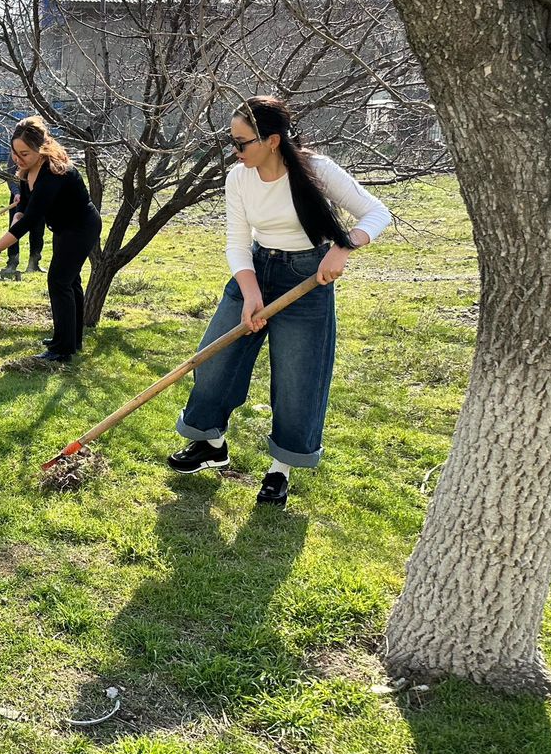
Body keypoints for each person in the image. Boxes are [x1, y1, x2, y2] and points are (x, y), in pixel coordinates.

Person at [167, 95, 391, 507]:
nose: (234, 152)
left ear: (271, 140)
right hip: (256, 269)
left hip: (306, 280)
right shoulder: (239, 179)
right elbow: (236, 243)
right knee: (214, 361)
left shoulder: (317, 171)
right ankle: (211, 445)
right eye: (230, 142)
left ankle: (279, 471)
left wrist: (342, 248)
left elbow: (377, 213)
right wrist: (250, 292)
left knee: (296, 380)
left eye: (240, 143)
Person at [0, 117, 101, 363]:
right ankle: (70, 340)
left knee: (58, 281)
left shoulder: (53, 172)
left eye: (24, 153)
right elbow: (25, 204)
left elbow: (32, 219)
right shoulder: (26, 169)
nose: (17, 158)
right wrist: (18, 213)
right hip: (64, 227)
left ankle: (62, 350)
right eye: (14, 152)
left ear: (40, 149)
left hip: (81, 227)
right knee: (69, 280)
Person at [2, 170, 44, 279]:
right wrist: (16, 192)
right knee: (14, 228)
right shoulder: (15, 156)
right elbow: (10, 176)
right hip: (18, 198)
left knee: (38, 231)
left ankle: (34, 264)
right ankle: (12, 262)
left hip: (37, 198)